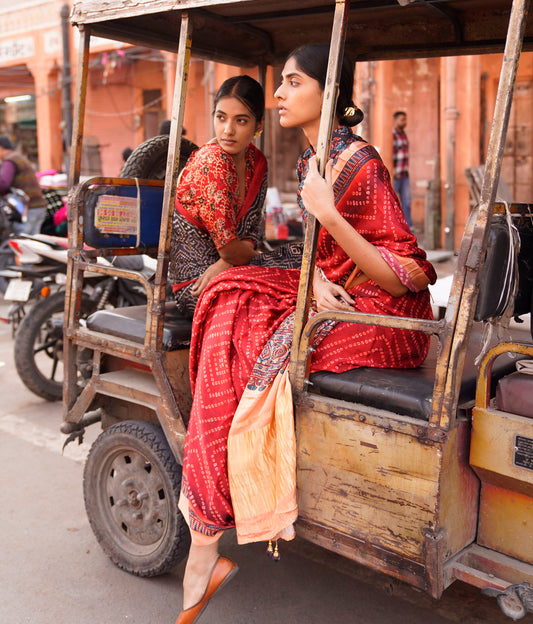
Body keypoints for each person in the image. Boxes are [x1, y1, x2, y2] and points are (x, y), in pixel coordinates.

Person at [173, 45, 436, 624]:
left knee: (241, 331)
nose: (279, 94)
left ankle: (206, 542)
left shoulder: (361, 163)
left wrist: (330, 214)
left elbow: (410, 275)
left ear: (328, 90)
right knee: (230, 303)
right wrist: (315, 275)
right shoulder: (311, 160)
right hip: (336, 296)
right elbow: (320, 250)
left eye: (293, 82)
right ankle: (206, 536)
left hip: (385, 320)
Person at [168, 75, 267, 318]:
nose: (228, 130)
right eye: (221, 117)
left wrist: (229, 262)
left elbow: (251, 232)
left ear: (259, 125)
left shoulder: (257, 162)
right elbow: (229, 249)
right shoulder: (212, 162)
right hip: (197, 284)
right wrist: (250, 259)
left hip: (237, 270)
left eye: (241, 120)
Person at [0, 135, 47, 235]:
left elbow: (3, 183)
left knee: (22, 239)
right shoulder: (19, 157)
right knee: (33, 240)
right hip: (38, 205)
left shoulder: (10, 160)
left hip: (28, 208)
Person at [392, 110, 412, 229]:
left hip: (404, 173)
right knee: (392, 202)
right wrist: (392, 169)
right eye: (402, 119)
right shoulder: (392, 135)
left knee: (407, 202)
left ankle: (408, 227)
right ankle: (394, 227)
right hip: (394, 174)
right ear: (395, 120)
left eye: (405, 120)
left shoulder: (403, 134)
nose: (405, 122)